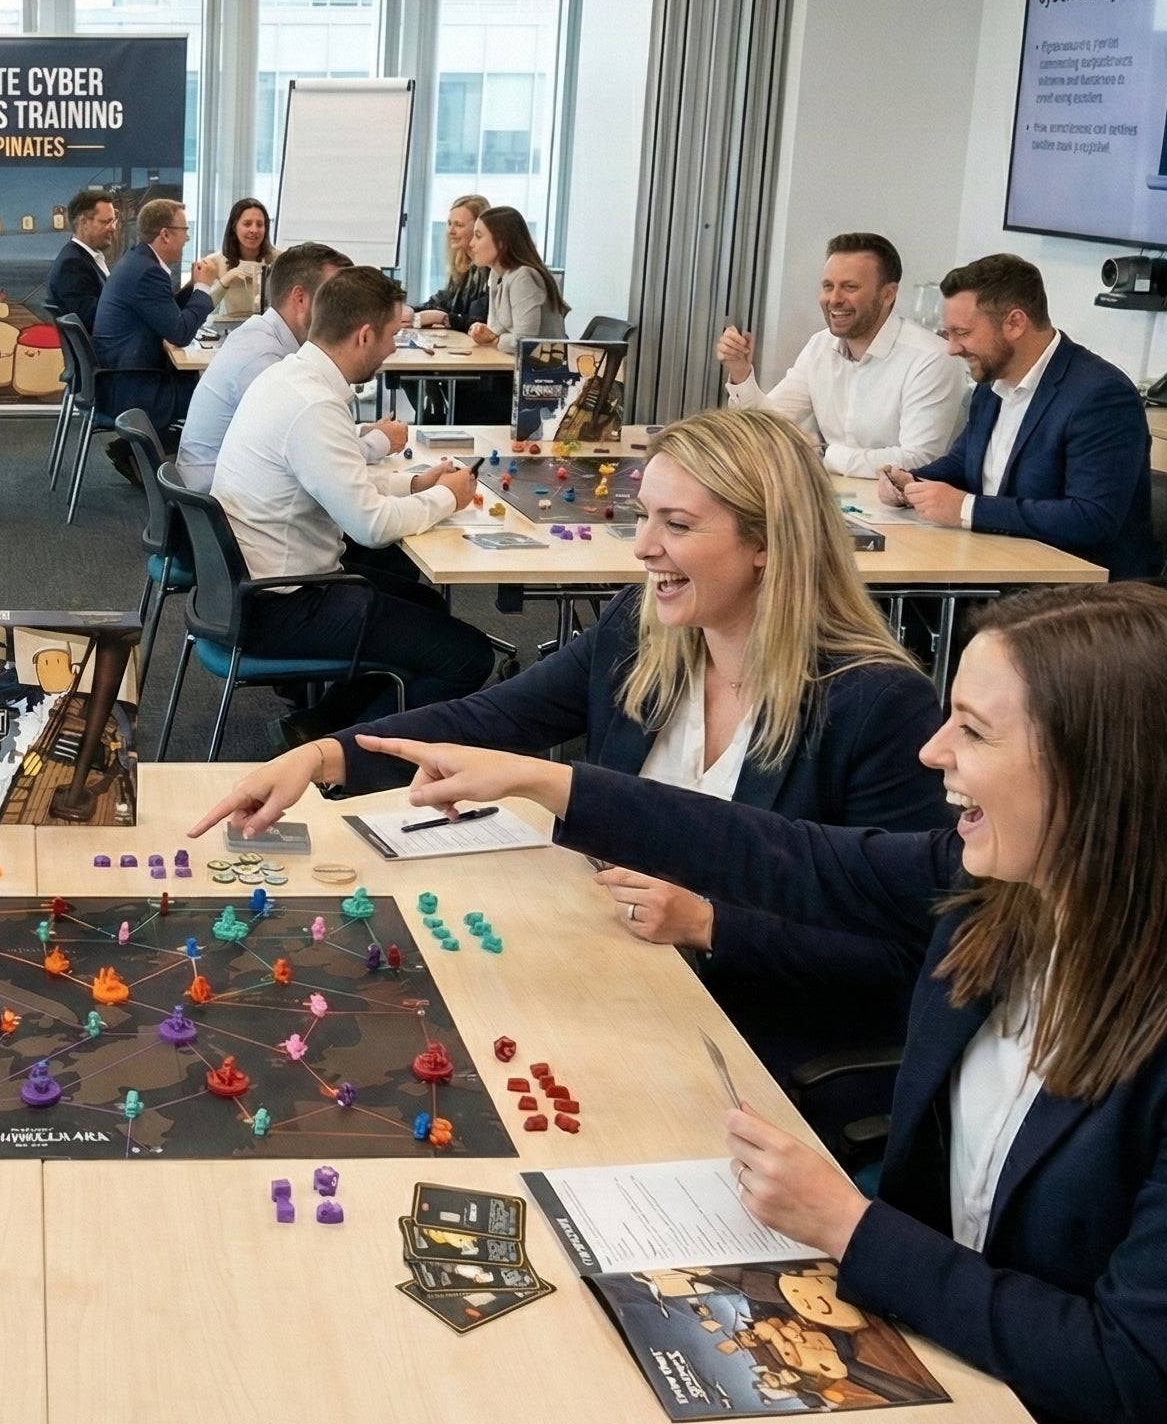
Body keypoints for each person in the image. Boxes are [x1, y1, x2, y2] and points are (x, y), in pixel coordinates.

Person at [366, 582, 1167, 1424]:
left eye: (973, 731)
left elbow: (1133, 1374)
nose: (933, 751)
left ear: (1100, 772)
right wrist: (544, 777)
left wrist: (848, 1224)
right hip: (949, 1343)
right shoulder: (1001, 888)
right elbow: (783, 855)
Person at [196, 408, 950, 1120]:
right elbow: (495, 718)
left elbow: (908, 951)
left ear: (768, 544)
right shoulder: (642, 629)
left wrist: (712, 923)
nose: (643, 547)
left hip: (751, 1036)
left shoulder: (878, 705)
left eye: (677, 525)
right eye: (643, 516)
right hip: (619, 974)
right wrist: (323, 754)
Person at [206, 265, 491, 730]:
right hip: (279, 605)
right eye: (392, 335)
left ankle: (318, 727)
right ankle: (351, 756)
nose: (394, 347)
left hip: (252, 589)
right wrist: (446, 497)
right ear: (364, 336)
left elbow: (336, 480)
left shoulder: (289, 377)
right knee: (468, 657)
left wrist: (416, 486)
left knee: (426, 606)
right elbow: (371, 527)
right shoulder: (315, 405)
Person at [882, 253, 1156, 581]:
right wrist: (910, 483)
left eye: (962, 333)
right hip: (998, 566)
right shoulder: (992, 381)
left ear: (1015, 323)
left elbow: (1091, 518)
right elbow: (963, 463)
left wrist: (967, 508)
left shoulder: (1101, 396)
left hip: (1078, 590)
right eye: (948, 334)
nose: (952, 348)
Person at [717, 232, 962, 477]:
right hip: (835, 493)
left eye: (849, 287)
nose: (834, 299)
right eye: (828, 286)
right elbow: (769, 426)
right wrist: (741, 372)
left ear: (887, 294)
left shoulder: (931, 358)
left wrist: (826, 453)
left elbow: (919, 459)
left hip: (901, 501)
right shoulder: (820, 345)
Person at [177, 242, 403, 491]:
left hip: (225, 489)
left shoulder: (266, 335)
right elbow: (311, 457)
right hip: (215, 498)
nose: (344, 310)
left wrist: (357, 434)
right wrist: (378, 441)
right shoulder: (263, 356)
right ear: (300, 298)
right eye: (332, 296)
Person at [93, 198, 218, 458]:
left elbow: (166, 315)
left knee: (200, 384)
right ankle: (152, 456)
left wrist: (192, 286)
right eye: (185, 231)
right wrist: (204, 288)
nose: (187, 238)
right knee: (215, 396)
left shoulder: (139, 260)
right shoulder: (148, 273)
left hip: (119, 378)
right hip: (133, 387)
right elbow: (180, 334)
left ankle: (141, 453)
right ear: (165, 234)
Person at [465, 205, 567, 350]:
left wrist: (494, 341)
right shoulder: (496, 275)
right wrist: (483, 332)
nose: (471, 244)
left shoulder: (523, 277)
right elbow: (495, 329)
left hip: (538, 363)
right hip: (514, 361)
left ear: (501, 242)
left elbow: (525, 341)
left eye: (478, 236)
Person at [412, 193, 491, 331]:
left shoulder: (492, 271)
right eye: (449, 224)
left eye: (459, 225)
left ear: (479, 229)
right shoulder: (463, 266)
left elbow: (484, 323)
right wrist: (407, 311)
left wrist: (444, 319)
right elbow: (440, 303)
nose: (451, 231)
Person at [43, 187, 116, 337]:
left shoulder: (82, 258)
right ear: (84, 222)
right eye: (106, 222)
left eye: (113, 221)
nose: (113, 228)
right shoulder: (72, 265)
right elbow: (95, 321)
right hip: (107, 349)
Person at [194, 197, 277, 326]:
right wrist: (228, 278)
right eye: (247, 224)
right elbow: (201, 309)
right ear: (234, 227)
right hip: (228, 331)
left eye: (260, 224)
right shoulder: (213, 263)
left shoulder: (280, 259)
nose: (254, 230)